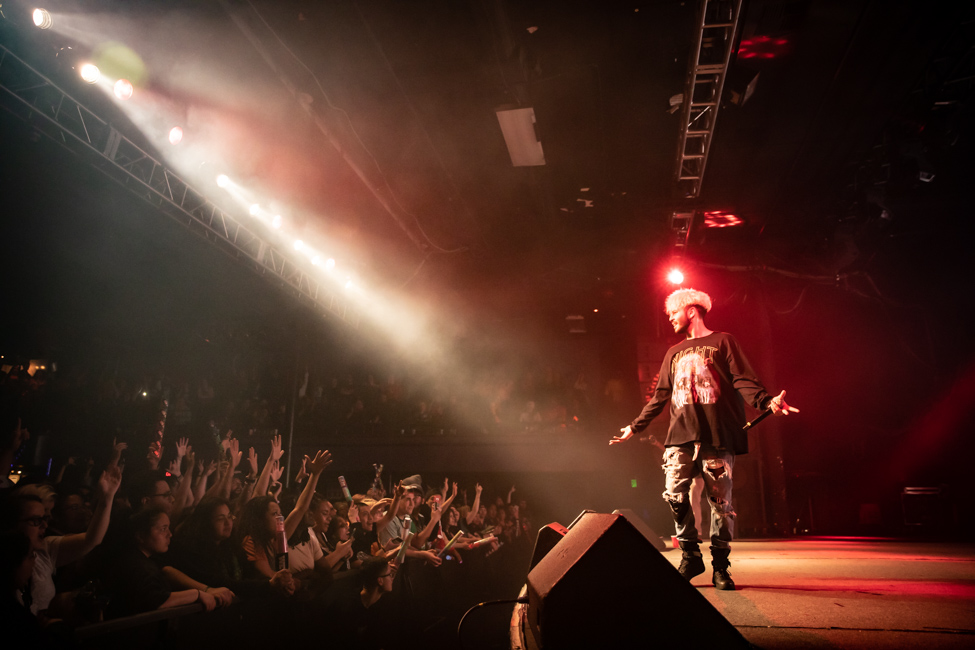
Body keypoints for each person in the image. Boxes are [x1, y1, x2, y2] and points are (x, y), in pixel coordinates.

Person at [611, 288, 798, 590]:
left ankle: (721, 568)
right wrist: (635, 426)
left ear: (692, 310)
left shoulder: (723, 341)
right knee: (674, 494)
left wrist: (767, 402)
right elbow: (661, 395)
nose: (670, 317)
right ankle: (690, 555)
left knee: (720, 503)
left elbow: (743, 380)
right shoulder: (673, 353)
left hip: (716, 435)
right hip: (681, 436)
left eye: (674, 311)